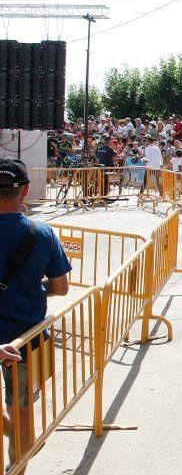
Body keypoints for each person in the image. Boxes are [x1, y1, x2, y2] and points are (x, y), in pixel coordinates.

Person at [0, 158, 71, 467]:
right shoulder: (42, 234)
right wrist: (36, 284)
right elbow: (61, 287)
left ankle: (17, 435)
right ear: (25, 190)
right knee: (23, 409)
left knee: (17, 417)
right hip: (27, 339)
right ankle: (20, 453)